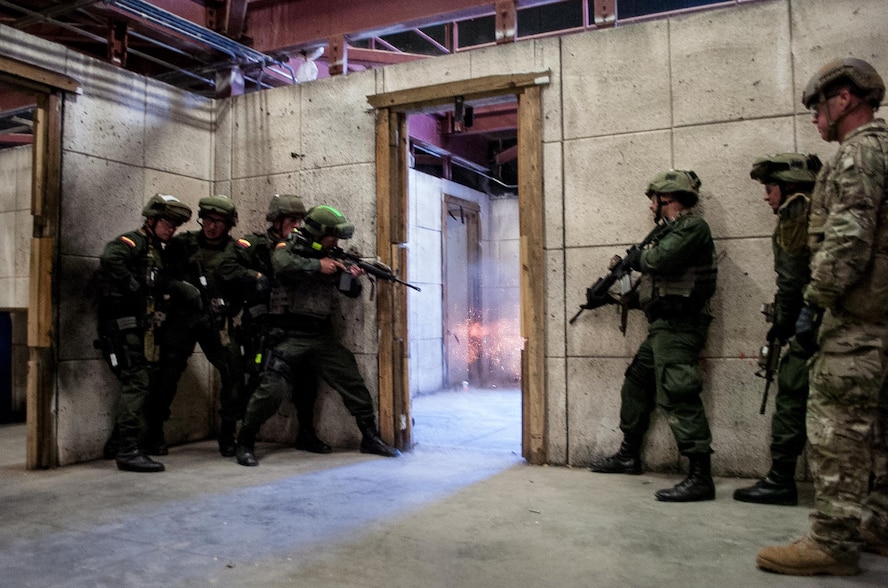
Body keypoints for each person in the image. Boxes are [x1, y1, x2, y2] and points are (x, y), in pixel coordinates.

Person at [757, 58, 888, 576]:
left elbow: (849, 238)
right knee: (880, 431)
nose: (815, 118)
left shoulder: (859, 154)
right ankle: (878, 524)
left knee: (835, 430)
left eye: (818, 106)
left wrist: (815, 301)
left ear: (845, 99)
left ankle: (833, 542)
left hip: (857, 322)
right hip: (881, 318)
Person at [234, 204, 401, 466]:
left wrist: (348, 275)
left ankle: (370, 436)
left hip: (320, 334)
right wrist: (318, 265)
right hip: (287, 333)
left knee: (350, 378)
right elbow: (282, 264)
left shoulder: (333, 254)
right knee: (271, 389)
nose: (334, 242)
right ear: (316, 232)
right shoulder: (288, 246)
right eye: (331, 236)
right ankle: (244, 441)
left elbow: (352, 293)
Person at [589, 169, 719, 502]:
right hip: (662, 327)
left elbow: (660, 260)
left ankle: (701, 476)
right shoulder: (665, 233)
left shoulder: (692, 228)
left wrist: (637, 258)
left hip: (681, 326)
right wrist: (614, 296)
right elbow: (655, 286)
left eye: (654, 199)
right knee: (637, 381)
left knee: (678, 392)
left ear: (668, 198)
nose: (651, 206)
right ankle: (629, 453)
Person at [734, 153, 821, 506]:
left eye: (770, 187)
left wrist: (782, 327)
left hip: (814, 328)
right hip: (833, 324)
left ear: (787, 187)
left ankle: (781, 480)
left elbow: (791, 278)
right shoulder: (822, 207)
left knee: (791, 392)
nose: (766, 195)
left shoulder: (796, 211)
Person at [224, 194, 329, 454]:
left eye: (299, 220)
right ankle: (236, 439)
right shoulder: (256, 244)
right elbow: (225, 265)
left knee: (306, 383)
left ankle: (306, 434)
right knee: (255, 384)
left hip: (291, 328)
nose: (296, 225)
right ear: (277, 221)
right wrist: (254, 275)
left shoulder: (301, 247)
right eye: (291, 220)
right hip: (259, 326)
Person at [95, 193, 192, 472]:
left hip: (142, 327)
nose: (171, 229)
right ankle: (127, 450)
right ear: (151, 220)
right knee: (137, 382)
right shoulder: (133, 242)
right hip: (123, 327)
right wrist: (134, 286)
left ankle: (118, 443)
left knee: (142, 382)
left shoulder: (158, 250)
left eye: (174, 225)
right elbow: (110, 258)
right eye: (166, 222)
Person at [144, 195, 246, 457]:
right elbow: (161, 276)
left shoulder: (235, 250)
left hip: (216, 321)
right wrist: (180, 289)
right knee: (166, 375)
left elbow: (241, 285)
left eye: (219, 222)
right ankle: (154, 433)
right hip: (182, 319)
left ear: (228, 224)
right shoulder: (182, 244)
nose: (212, 227)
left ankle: (227, 434)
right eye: (208, 220)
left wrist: (229, 305)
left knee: (233, 371)